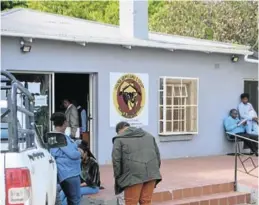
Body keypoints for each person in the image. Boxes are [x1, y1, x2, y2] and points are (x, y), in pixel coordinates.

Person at [112, 122, 162, 205]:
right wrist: (154, 171)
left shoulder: (119, 139)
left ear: (119, 130)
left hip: (132, 176)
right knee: (146, 201)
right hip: (152, 173)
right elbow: (158, 157)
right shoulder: (149, 136)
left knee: (131, 202)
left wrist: (119, 177)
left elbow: (116, 161)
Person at [50, 112, 81, 205]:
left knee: (72, 199)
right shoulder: (59, 137)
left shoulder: (54, 136)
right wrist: (80, 152)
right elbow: (73, 154)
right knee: (74, 200)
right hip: (69, 173)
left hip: (66, 172)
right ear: (64, 123)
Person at [59, 140, 101, 205]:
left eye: (81, 153)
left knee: (75, 193)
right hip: (80, 185)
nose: (79, 155)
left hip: (92, 187)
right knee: (63, 192)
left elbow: (93, 181)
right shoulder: (79, 162)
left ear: (86, 153)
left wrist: (78, 185)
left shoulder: (94, 163)